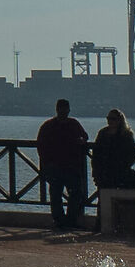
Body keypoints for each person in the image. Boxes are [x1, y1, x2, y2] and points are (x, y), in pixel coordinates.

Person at [35, 98, 89, 231]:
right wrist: (47, 163)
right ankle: (60, 220)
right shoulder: (49, 126)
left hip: (71, 166)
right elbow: (41, 146)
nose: (63, 111)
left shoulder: (72, 124)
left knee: (74, 193)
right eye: (61, 109)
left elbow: (85, 136)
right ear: (57, 110)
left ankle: (69, 220)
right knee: (56, 195)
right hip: (56, 167)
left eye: (65, 109)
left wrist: (82, 141)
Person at [91, 109, 135, 193]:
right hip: (104, 172)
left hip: (121, 172)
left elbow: (131, 155)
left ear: (119, 120)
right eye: (108, 118)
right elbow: (96, 154)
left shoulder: (126, 135)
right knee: (104, 198)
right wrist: (96, 173)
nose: (110, 121)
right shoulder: (102, 133)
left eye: (113, 119)